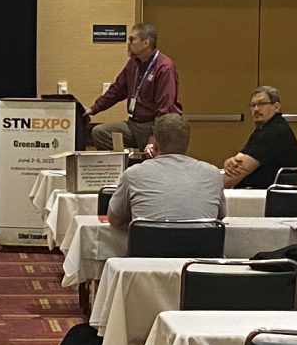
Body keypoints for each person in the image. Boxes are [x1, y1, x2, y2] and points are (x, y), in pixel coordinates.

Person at [104, 114, 224, 235]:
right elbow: (219, 216)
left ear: (155, 144)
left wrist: (143, 229)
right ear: (188, 143)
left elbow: (115, 220)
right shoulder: (213, 174)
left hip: (148, 246)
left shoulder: (133, 174)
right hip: (203, 246)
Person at [85, 25, 180, 153]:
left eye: (132, 39)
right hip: (133, 124)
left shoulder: (164, 68)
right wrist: (94, 108)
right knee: (100, 133)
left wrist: (154, 140)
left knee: (154, 151)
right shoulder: (133, 63)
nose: (128, 43)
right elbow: (117, 89)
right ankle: (123, 165)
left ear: (145, 43)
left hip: (153, 125)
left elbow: (165, 110)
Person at [220, 86, 297, 190]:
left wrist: (213, 187)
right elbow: (240, 158)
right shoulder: (264, 129)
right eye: (253, 105)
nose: (256, 109)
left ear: (276, 107)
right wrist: (229, 162)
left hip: (263, 195)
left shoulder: (274, 132)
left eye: (261, 104)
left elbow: (238, 172)